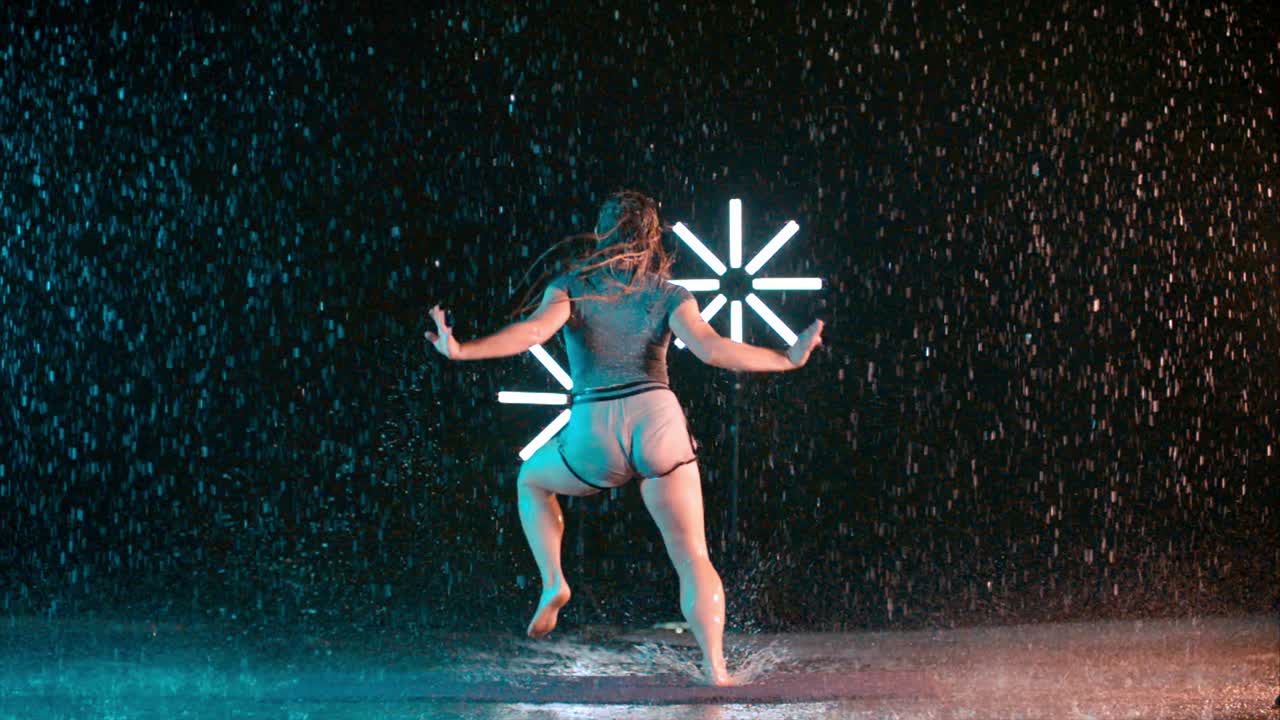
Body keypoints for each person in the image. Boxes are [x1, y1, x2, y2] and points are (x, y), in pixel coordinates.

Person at [426, 190, 823, 686]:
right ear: (654, 238)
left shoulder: (572, 286)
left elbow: (532, 333)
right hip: (657, 418)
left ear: (600, 234)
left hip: (596, 424)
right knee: (693, 557)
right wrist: (787, 358)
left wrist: (462, 350)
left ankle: (554, 581)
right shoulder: (669, 293)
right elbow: (712, 349)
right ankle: (716, 668)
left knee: (532, 480)